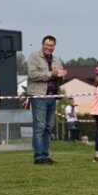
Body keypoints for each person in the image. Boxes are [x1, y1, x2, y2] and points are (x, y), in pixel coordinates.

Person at [26, 35, 66, 165]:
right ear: (42, 44)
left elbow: (59, 79)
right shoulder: (34, 57)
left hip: (52, 96)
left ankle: (45, 155)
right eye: (47, 45)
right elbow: (32, 75)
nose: (49, 47)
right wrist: (51, 74)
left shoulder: (57, 60)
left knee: (48, 127)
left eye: (51, 45)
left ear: (54, 46)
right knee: (40, 127)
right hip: (38, 96)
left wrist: (61, 76)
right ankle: (38, 157)